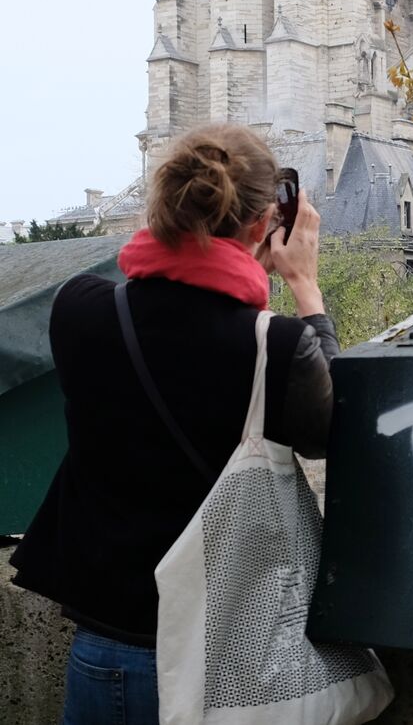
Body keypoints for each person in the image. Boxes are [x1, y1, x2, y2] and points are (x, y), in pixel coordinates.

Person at [10, 125, 339, 725]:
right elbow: (333, 430)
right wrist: (303, 283)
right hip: (227, 664)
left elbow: (150, 301)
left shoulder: (79, 309)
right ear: (264, 225)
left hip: (104, 648)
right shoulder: (276, 346)